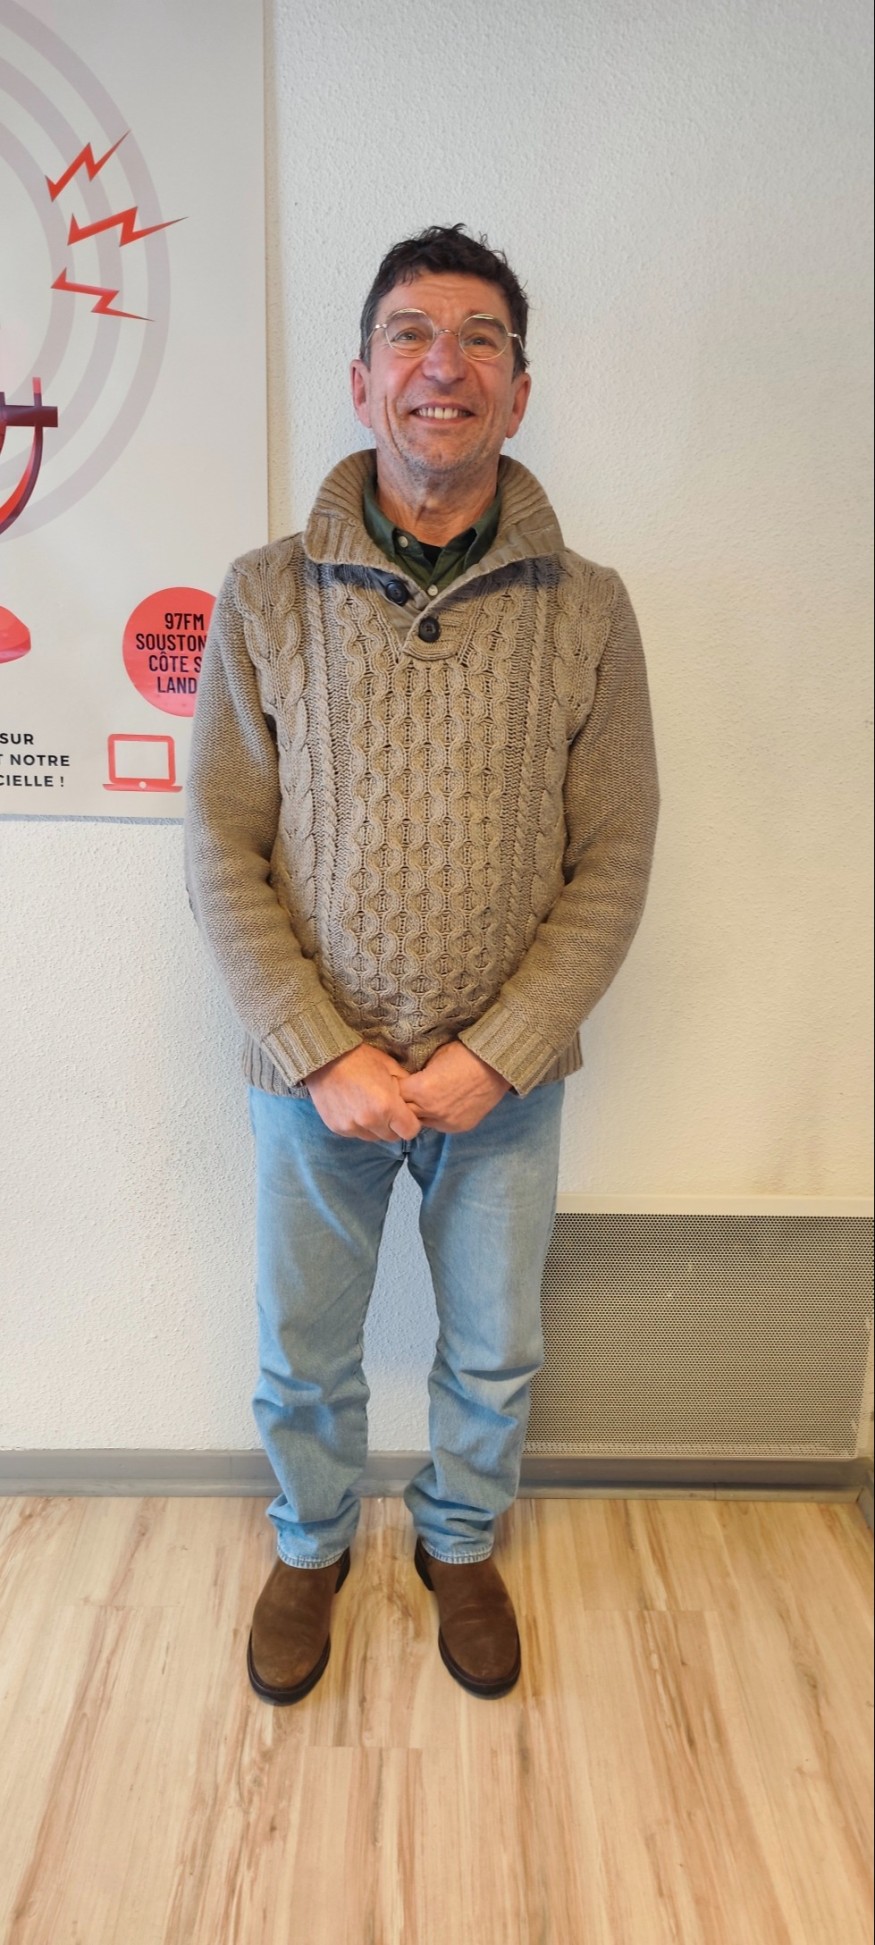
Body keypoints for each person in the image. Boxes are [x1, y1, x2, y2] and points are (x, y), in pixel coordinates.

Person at [184, 224, 659, 1704]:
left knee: (497, 1348)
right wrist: (320, 1050)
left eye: (479, 340)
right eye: (409, 334)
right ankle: (312, 1542)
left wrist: (493, 1056)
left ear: (519, 392)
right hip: (310, 1075)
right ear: (361, 379)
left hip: (500, 1085)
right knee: (303, 1350)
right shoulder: (264, 594)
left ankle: (458, 1542)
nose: (442, 365)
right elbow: (220, 850)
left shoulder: (590, 608)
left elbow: (614, 861)